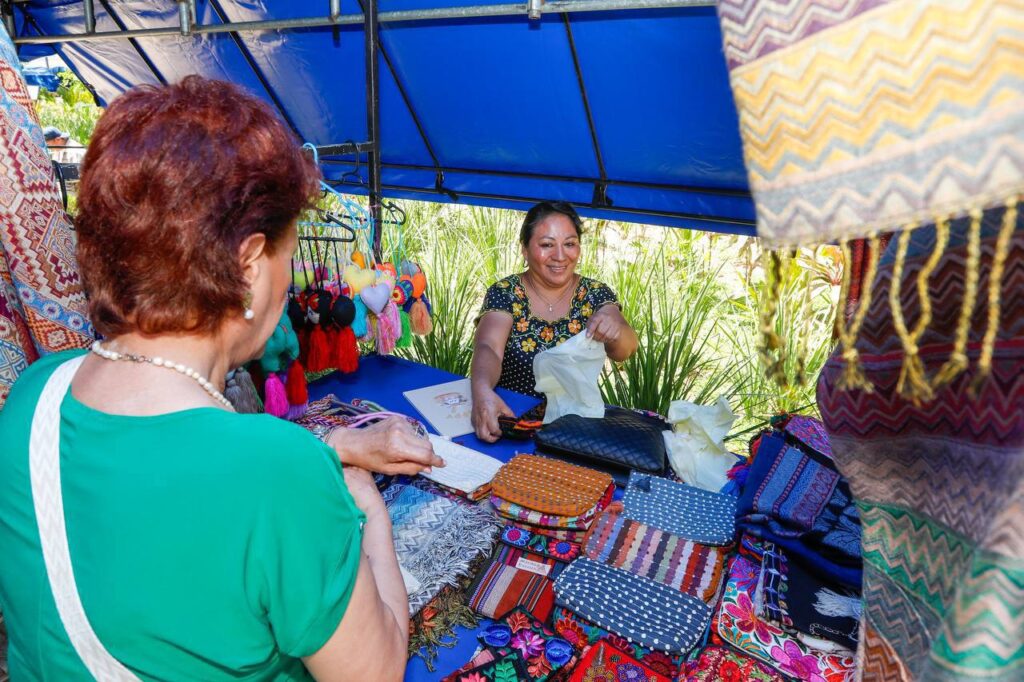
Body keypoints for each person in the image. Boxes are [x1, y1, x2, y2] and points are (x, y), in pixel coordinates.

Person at [0, 76, 435, 680]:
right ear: (250, 265)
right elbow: (375, 671)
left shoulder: (32, 396)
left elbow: (163, 475)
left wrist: (331, 445)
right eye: (288, 255)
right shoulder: (281, 477)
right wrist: (370, 516)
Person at [471, 201, 639, 442]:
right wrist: (482, 391)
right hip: (509, 419)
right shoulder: (506, 292)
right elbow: (489, 347)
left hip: (572, 429)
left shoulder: (594, 294)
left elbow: (625, 350)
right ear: (525, 249)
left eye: (569, 244)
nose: (560, 256)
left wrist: (616, 329)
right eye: (547, 245)